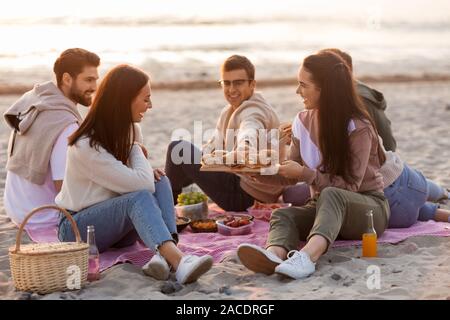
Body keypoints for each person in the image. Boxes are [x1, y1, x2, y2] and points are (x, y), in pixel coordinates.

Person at [237, 51, 390, 279]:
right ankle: (273, 256)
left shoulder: (358, 127)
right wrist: (257, 173)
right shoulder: (302, 121)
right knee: (283, 216)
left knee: (331, 194)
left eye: (303, 85)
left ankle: (307, 257)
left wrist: (307, 174)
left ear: (324, 89)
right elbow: (292, 174)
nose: (298, 91)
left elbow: (349, 186)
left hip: (368, 210)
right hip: (324, 210)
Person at [55, 64, 213, 284]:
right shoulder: (86, 146)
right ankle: (178, 261)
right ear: (125, 100)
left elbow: (145, 181)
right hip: (78, 230)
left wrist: (145, 165)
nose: (150, 105)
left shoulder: (130, 129)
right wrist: (135, 147)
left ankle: (164, 255)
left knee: (161, 180)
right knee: (142, 193)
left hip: (116, 227)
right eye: (146, 99)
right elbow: (141, 186)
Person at [282, 48, 450, 227]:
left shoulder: (355, 115)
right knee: (418, 207)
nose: (299, 90)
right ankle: (437, 203)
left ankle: (443, 194)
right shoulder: (332, 109)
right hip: (392, 189)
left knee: (425, 193)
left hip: (395, 183)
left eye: (306, 83)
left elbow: (352, 178)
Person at [165, 55, 282, 211]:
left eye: (238, 83)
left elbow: (249, 129)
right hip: (245, 187)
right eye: (226, 83)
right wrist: (200, 160)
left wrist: (245, 147)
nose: (232, 89)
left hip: (244, 195)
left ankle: (166, 210)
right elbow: (211, 147)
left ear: (252, 84)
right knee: (179, 163)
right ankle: (167, 198)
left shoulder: (254, 110)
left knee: (177, 148)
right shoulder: (229, 111)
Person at [3, 48, 100, 228]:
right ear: (66, 79)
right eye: (88, 80)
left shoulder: (35, 101)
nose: (94, 87)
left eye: (96, 79)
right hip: (42, 217)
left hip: (17, 208)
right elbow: (64, 191)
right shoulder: (65, 124)